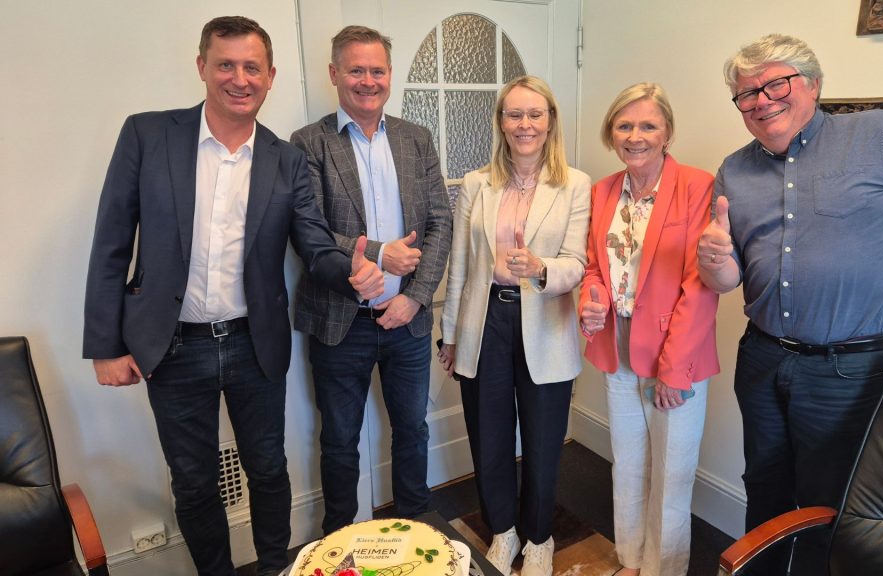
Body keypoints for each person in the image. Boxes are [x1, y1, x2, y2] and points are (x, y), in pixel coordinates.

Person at [82, 16, 383, 576]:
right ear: (202, 66)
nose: (239, 79)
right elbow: (112, 242)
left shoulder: (286, 160)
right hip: (172, 346)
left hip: (254, 344)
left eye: (252, 68)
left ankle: (272, 568)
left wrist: (353, 270)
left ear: (270, 76)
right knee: (194, 482)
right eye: (226, 64)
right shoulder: (148, 135)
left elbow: (314, 244)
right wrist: (105, 344)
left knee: (268, 469)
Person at [698, 34, 883, 575]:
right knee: (764, 484)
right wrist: (712, 261)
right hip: (762, 358)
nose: (761, 101)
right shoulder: (734, 170)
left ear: (812, 84)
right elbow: (727, 280)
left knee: (831, 504)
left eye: (775, 84)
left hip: (849, 370)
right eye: (746, 94)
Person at [290, 25, 452, 534]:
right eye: (356, 70)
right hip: (341, 322)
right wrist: (380, 253)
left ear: (389, 75)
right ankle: (340, 541)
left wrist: (416, 298)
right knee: (339, 440)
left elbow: (440, 222)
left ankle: (416, 533)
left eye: (377, 70)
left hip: (407, 322)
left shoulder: (416, 138)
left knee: (413, 429)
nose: (367, 81)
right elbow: (308, 229)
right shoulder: (308, 143)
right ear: (334, 73)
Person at [437, 76, 590, 576]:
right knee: (489, 436)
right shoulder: (477, 183)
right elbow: (460, 265)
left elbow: (577, 262)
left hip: (545, 319)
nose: (525, 125)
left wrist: (542, 268)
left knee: (544, 441)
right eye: (514, 114)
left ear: (550, 121)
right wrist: (450, 334)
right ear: (501, 122)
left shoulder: (575, 183)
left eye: (535, 114)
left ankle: (539, 537)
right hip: (486, 321)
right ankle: (502, 530)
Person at [577, 83, 720, 576]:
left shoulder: (697, 186)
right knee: (629, 465)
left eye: (647, 125)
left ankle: (665, 569)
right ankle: (632, 561)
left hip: (676, 354)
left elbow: (700, 286)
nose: (635, 136)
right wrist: (592, 300)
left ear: (667, 133)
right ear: (611, 133)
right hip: (616, 348)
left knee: (671, 476)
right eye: (624, 125)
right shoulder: (603, 191)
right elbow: (594, 268)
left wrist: (675, 370)